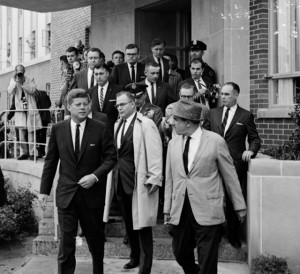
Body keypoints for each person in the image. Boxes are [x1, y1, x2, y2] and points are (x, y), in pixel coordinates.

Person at [39, 89, 117, 274]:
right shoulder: (58, 129)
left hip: (92, 196)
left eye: (86, 104)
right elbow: (51, 161)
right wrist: (44, 191)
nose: (83, 108)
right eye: (78, 105)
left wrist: (95, 176)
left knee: (95, 241)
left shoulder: (100, 127)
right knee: (66, 244)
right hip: (66, 195)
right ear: (68, 107)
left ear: (90, 105)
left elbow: (111, 158)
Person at [164, 99, 246, 274]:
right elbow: (170, 178)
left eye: (175, 119)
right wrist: (167, 208)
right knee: (180, 252)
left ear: (188, 122)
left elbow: (230, 176)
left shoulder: (215, 141)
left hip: (208, 207)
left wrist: (239, 206)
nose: (171, 122)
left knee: (207, 259)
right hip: (181, 208)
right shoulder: (173, 143)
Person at [107, 91, 163, 273]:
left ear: (133, 104)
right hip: (121, 181)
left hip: (139, 181)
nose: (119, 108)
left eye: (122, 104)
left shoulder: (146, 124)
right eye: (117, 105)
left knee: (143, 225)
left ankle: (145, 266)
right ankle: (135, 257)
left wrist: (155, 176)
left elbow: (155, 151)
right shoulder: (117, 124)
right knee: (129, 223)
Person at [202, 82, 261, 248]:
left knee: (233, 197)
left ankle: (233, 234)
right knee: (213, 198)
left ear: (236, 95)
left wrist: (251, 151)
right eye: (222, 94)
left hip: (235, 163)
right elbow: (204, 136)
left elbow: (255, 139)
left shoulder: (245, 116)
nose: (223, 97)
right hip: (212, 162)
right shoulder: (212, 113)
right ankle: (215, 232)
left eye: (227, 94)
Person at [7, 64, 42, 160]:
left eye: (21, 72)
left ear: (24, 71)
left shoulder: (30, 79)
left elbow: (32, 90)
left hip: (30, 108)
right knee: (21, 133)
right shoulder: (13, 80)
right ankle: (24, 153)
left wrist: (23, 84)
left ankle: (32, 153)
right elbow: (10, 91)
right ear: (15, 71)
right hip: (20, 110)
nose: (19, 74)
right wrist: (15, 81)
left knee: (31, 132)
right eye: (18, 72)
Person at [90, 63, 122, 134]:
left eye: (101, 74)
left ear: (107, 74)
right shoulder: (90, 92)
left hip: (113, 130)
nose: (98, 77)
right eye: (96, 74)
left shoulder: (118, 90)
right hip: (95, 131)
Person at [35, 90, 52, 158]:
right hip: (46, 116)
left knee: (38, 134)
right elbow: (49, 104)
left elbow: (35, 105)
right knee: (43, 133)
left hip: (39, 116)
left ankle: (40, 151)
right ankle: (42, 151)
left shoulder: (33, 95)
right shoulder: (44, 93)